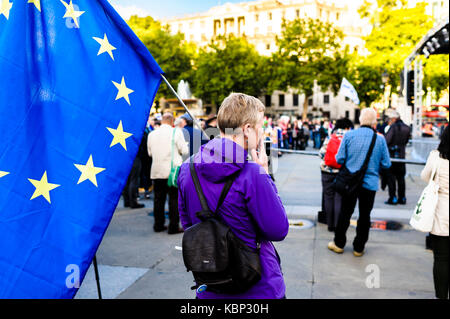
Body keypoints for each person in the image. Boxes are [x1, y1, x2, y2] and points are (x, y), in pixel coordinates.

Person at [178, 93, 289, 299]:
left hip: (209, 281)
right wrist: (266, 176)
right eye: (260, 127)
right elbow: (278, 229)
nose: (262, 132)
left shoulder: (187, 169)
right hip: (258, 285)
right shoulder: (253, 174)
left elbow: (188, 224)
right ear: (247, 129)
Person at [328, 108, 391, 257]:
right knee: (365, 216)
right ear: (375, 122)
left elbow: (339, 159)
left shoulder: (349, 135)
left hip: (350, 183)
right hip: (370, 184)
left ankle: (339, 243)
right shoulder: (380, 139)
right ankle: (359, 247)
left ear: (361, 120)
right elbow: (387, 163)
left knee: (345, 213)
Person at [420, 125, 449, 299]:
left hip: (441, 213)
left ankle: (441, 296)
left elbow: (425, 176)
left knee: (441, 258)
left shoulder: (436, 157)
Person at [147, 112, 188, 234]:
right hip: (172, 172)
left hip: (156, 171)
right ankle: (173, 226)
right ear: (172, 121)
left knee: (158, 199)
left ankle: (158, 225)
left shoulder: (152, 134)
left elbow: (150, 153)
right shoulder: (176, 132)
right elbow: (184, 150)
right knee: (174, 199)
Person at [319, 118, 354, 232]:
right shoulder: (349, 137)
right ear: (347, 127)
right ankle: (337, 224)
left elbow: (321, 153)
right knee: (338, 198)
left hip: (326, 171)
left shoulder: (330, 136)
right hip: (341, 172)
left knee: (328, 197)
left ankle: (330, 225)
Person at [384, 109, 411, 205]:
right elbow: (407, 141)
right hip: (402, 157)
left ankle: (393, 198)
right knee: (401, 178)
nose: (389, 121)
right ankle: (402, 198)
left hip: (392, 156)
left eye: (390, 119)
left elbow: (387, 141)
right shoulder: (407, 128)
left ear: (394, 118)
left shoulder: (393, 128)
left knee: (391, 178)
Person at [122, 135, 145, 209]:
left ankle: (127, 201)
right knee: (134, 180)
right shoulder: (137, 131)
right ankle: (133, 202)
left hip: (125, 158)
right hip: (135, 157)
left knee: (127, 180)